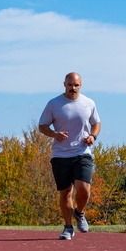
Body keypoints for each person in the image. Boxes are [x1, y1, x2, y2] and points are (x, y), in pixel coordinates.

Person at [38, 72, 101, 240]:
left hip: (82, 152)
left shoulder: (88, 103)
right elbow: (42, 125)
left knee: (84, 189)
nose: (73, 88)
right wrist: (54, 133)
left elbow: (96, 123)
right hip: (60, 155)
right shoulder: (54, 104)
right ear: (64, 84)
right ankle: (68, 227)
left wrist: (92, 137)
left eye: (76, 85)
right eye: (70, 85)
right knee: (65, 192)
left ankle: (79, 213)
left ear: (81, 85)